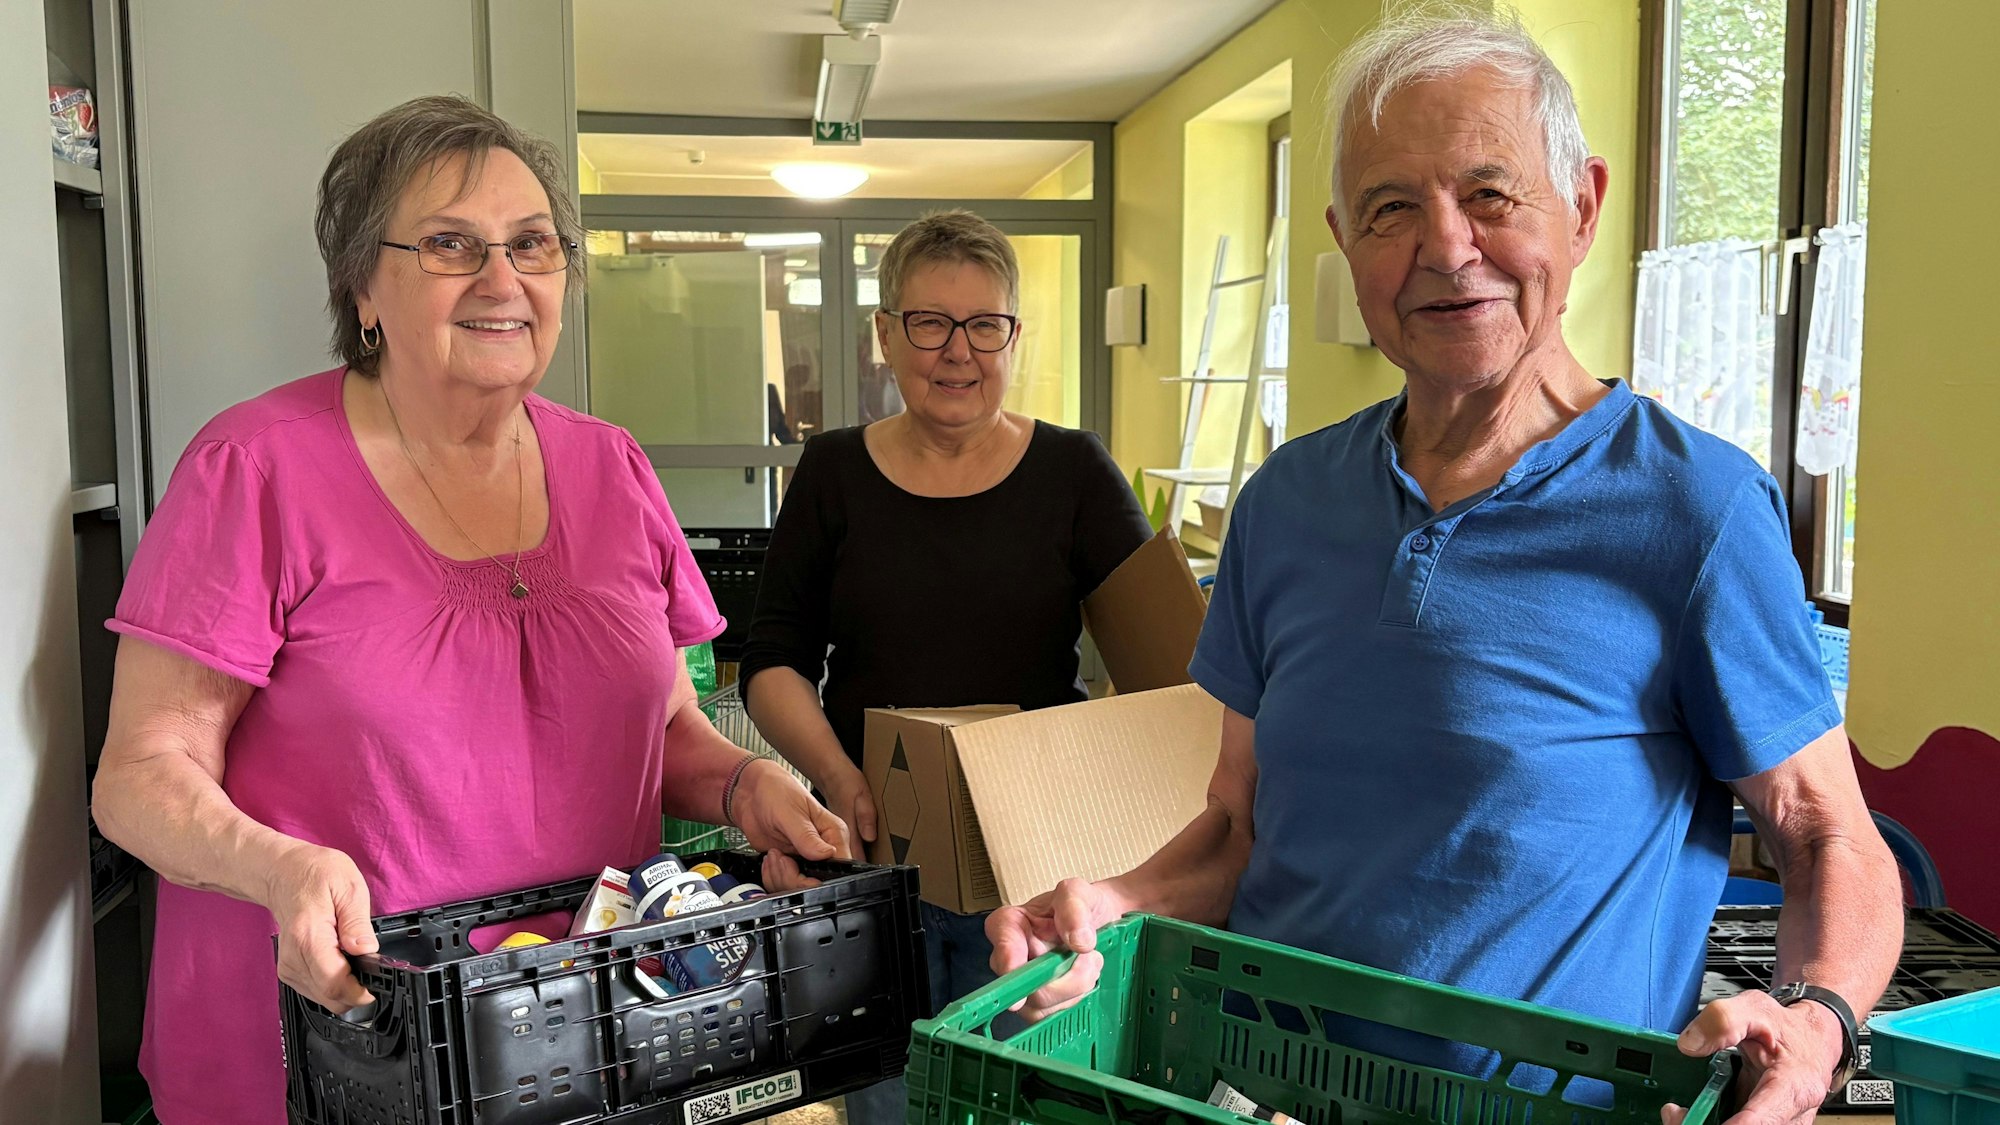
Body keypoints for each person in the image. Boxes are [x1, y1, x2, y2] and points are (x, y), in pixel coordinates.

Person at [989, 13, 1903, 1125]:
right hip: (1258, 1095)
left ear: (1581, 206)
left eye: (1489, 194)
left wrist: (1812, 1024)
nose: (1444, 247)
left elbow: (1822, 831)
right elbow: (1239, 826)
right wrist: (1114, 899)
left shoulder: (1690, 508)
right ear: (1341, 240)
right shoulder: (1285, 504)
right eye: (1388, 209)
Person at [88, 95, 846, 1125]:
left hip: (583, 1039)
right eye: (451, 245)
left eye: (532, 244)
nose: (503, 280)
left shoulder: (611, 466)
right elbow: (140, 778)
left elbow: (662, 732)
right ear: (363, 288)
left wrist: (748, 784)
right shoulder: (253, 471)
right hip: (331, 1049)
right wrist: (278, 868)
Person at [739, 209, 1154, 1125]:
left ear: (1013, 336)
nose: (955, 351)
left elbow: (1168, 669)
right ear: (885, 335)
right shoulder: (835, 472)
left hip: (1031, 870)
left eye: (984, 325)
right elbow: (771, 661)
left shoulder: (1074, 472)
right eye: (928, 322)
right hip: (868, 854)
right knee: (887, 1093)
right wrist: (837, 776)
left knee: (1018, 1094)